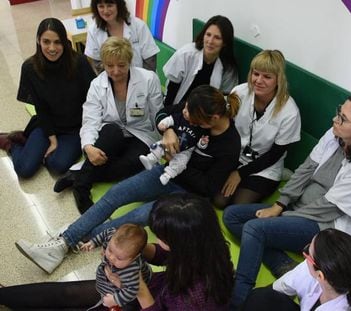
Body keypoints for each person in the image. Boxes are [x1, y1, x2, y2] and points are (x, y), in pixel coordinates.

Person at [16, 85, 241, 274]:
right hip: (163, 173)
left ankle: (67, 240)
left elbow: (208, 187)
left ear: (213, 119)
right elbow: (163, 113)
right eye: (186, 111)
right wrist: (168, 132)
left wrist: (176, 162)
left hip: (188, 196)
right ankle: (64, 242)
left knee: (137, 216)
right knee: (116, 194)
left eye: (193, 118)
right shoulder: (196, 108)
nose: (186, 116)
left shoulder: (229, 144)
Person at [223, 93, 351, 308]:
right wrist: (280, 204)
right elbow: (306, 168)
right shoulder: (335, 134)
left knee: (255, 230)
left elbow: (327, 209)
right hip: (296, 208)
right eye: (339, 112)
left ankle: (239, 299)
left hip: (322, 222)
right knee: (232, 216)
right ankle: (283, 265)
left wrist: (283, 215)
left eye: (343, 119)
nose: (335, 120)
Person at [1, 193, 234, 310]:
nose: (157, 240)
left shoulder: (200, 295)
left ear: (184, 241)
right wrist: (134, 248)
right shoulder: (206, 247)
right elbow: (164, 255)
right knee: (70, 293)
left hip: (151, 301)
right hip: (153, 289)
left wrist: (138, 287)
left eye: (162, 237)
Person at [54, 36, 163, 213]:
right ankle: (82, 189)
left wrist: (160, 147)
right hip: (111, 134)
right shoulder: (97, 85)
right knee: (112, 131)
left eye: (121, 65)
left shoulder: (149, 79)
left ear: (130, 61)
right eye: (109, 66)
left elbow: (158, 116)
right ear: (103, 64)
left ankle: (78, 175)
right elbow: (90, 120)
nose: (115, 71)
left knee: (133, 165)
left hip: (140, 133)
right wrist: (89, 147)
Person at [0, 18, 95, 178]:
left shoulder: (79, 62)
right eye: (46, 41)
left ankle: (32, 145)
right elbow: (40, 107)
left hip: (75, 128)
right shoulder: (30, 68)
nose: (52, 48)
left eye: (58, 42)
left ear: (65, 42)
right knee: (25, 169)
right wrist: (52, 140)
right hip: (47, 125)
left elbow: (94, 99)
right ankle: (12, 143)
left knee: (57, 165)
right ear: (38, 40)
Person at [214, 49, 301, 208]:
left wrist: (239, 174)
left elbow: (275, 154)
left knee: (237, 206)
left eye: (267, 76)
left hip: (265, 167)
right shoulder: (239, 93)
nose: (259, 80)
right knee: (219, 201)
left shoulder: (290, 112)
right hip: (234, 156)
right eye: (256, 74)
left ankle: (280, 175)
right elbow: (225, 129)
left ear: (278, 80)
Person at [242, 229, 351, 311]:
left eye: (307, 252)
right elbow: (278, 289)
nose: (305, 254)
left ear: (320, 275)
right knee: (260, 298)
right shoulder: (317, 273)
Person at [163, 15, 238, 106]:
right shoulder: (186, 54)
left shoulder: (228, 69)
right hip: (177, 108)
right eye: (208, 35)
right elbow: (171, 89)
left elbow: (225, 100)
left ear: (225, 43)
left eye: (217, 38)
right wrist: (167, 113)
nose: (210, 41)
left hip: (205, 115)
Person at [81, 224, 152, 310]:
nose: (111, 257)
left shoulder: (131, 270)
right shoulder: (112, 237)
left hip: (122, 288)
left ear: (134, 258)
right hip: (106, 278)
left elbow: (133, 290)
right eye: (110, 250)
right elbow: (105, 233)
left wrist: (115, 300)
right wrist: (93, 242)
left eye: (119, 258)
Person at [139, 106, 209, 185]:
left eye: (188, 111)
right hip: (172, 140)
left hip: (186, 151)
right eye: (185, 108)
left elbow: (200, 146)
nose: (184, 111)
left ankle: (167, 175)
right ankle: (150, 159)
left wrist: (203, 143)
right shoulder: (180, 117)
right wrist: (164, 124)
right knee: (160, 146)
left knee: (180, 163)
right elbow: (170, 119)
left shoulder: (202, 129)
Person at [85, 0, 159, 73]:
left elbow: (150, 59)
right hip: (111, 80)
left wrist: (143, 81)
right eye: (101, 6)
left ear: (119, 5)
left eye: (110, 5)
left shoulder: (138, 25)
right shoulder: (93, 31)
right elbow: (97, 63)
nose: (106, 11)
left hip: (142, 79)